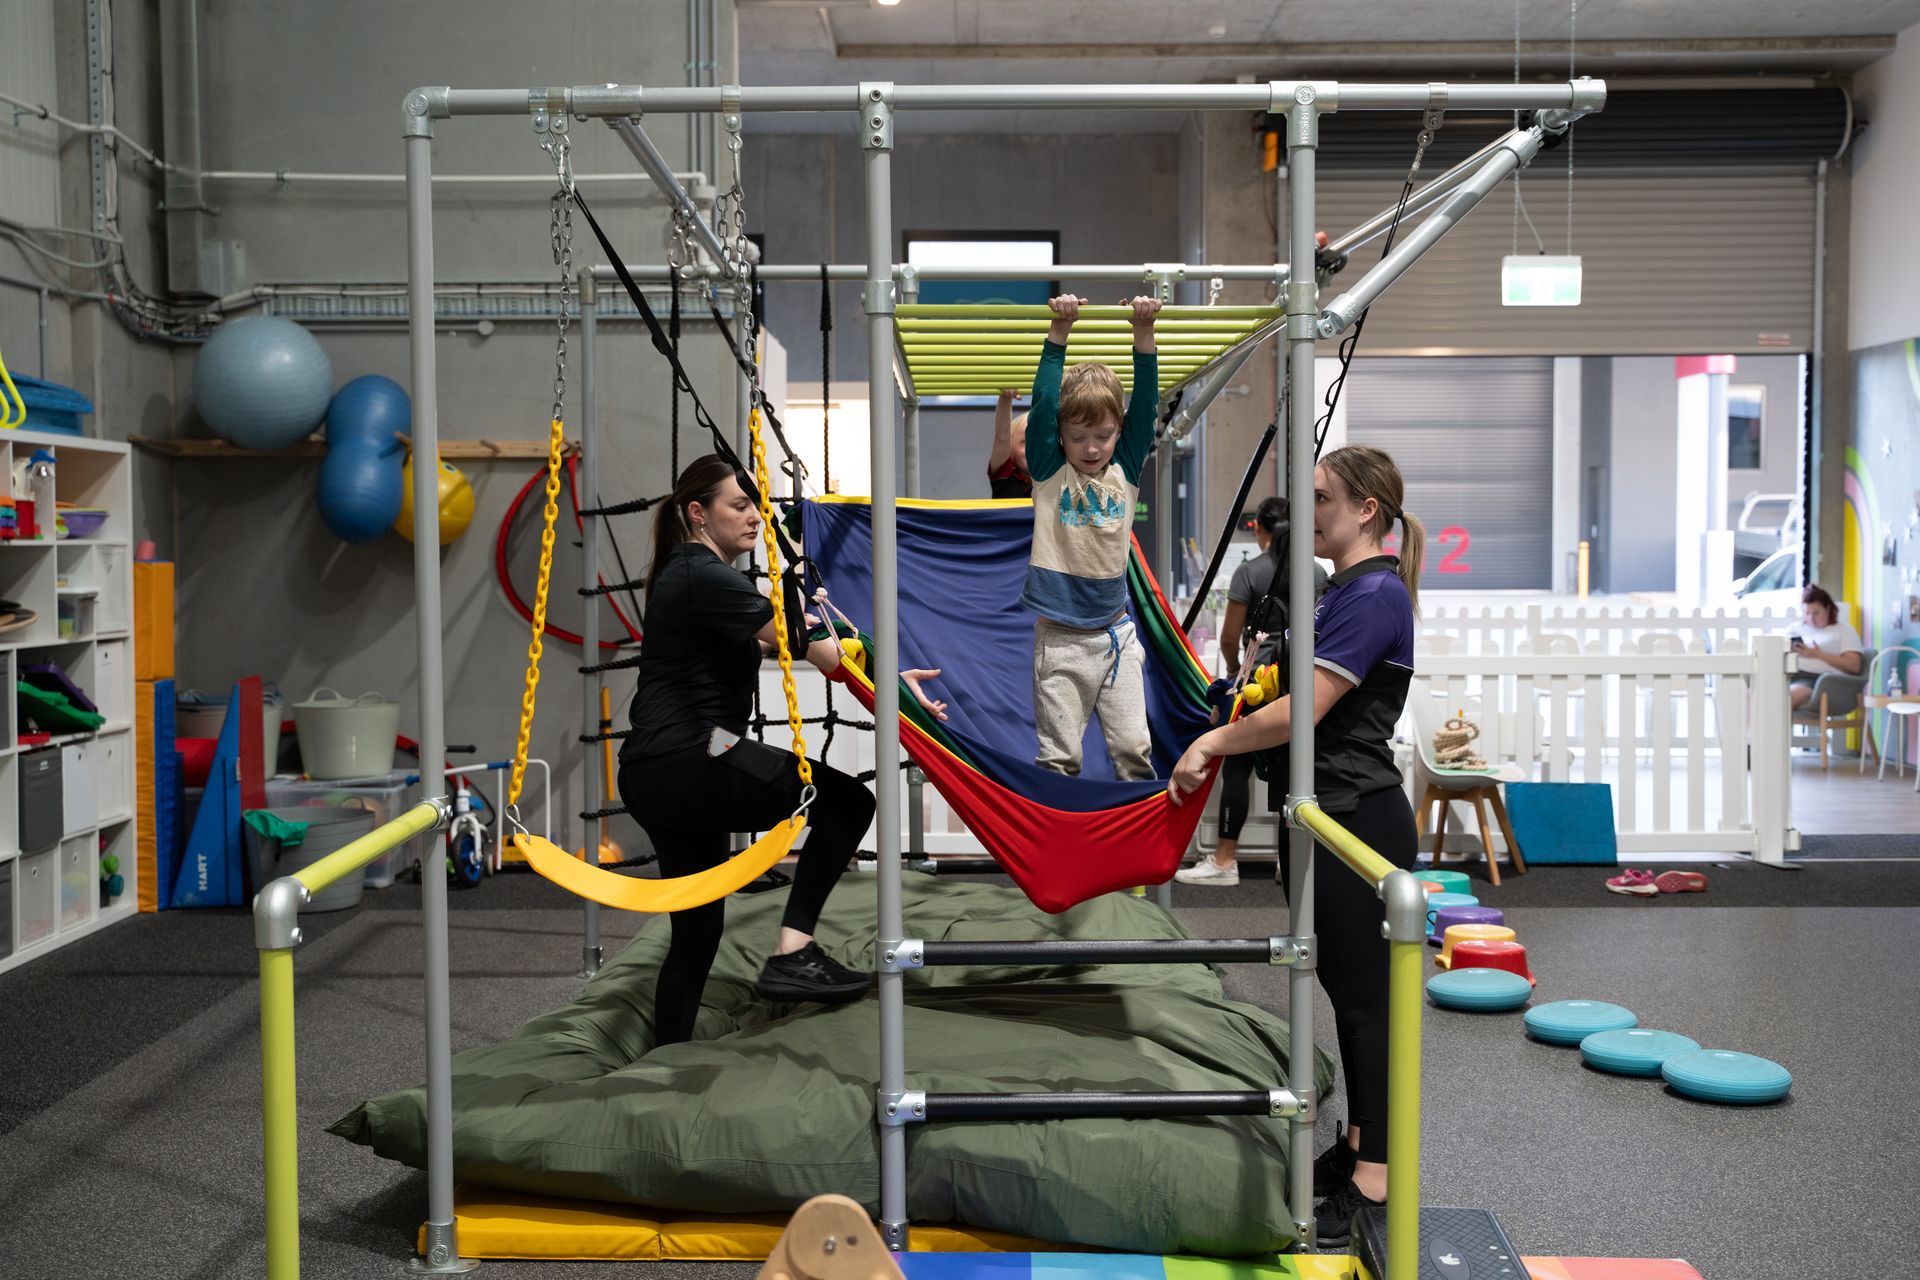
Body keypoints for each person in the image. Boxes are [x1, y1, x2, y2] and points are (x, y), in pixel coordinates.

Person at [1166, 444, 1423, 1247]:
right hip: (1325, 813)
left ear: (1364, 511)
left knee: (1366, 1000)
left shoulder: (1375, 594)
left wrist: (1215, 745)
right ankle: (1355, 1146)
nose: (1307, 512)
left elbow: (1304, 711)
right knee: (1349, 993)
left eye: (1320, 498)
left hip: (1359, 816)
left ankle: (1376, 1177)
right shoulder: (1341, 588)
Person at [619, 454, 949, 1047]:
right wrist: (866, 658)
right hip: (690, 755)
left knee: (697, 935)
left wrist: (892, 675)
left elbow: (806, 641)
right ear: (699, 514)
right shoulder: (701, 573)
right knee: (847, 802)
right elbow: (821, 652)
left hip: (661, 764)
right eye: (738, 506)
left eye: (754, 505)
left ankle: (663, 1055)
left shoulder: (698, 576)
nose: (753, 517)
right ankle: (794, 950)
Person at [1022, 293, 1162, 779]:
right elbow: (1042, 405)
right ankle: (1057, 850)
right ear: (1061, 436)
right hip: (1060, 638)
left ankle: (1134, 851)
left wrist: (1142, 334)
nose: (1090, 447)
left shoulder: (1125, 469)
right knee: (1060, 759)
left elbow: (1146, 404)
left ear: (1118, 432)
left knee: (1133, 750)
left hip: (1116, 634)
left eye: (1102, 435)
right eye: (1078, 436)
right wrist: (1058, 334)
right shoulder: (1049, 472)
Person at [1176, 495, 1328, 886]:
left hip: (1258, 683)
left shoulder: (1251, 572)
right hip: (1302, 681)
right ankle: (1289, 859)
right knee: (1297, 772)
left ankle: (1225, 860)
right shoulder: (1316, 572)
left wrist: (1233, 670)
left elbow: (1229, 637)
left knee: (1238, 768)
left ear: (1258, 528)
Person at [1789, 582, 1865, 710]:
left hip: (1817, 681)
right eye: (1807, 613)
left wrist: (1818, 655)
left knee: (1786, 697)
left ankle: (1772, 729)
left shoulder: (1844, 631)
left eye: (1816, 613)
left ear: (1828, 609)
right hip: (1787, 674)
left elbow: (1854, 666)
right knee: (1756, 694)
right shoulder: (1795, 628)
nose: (1811, 618)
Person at [987, 387, 1033, 499]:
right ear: (1010, 448)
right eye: (1025, 442)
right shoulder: (1006, 477)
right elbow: (1002, 436)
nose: (1035, 448)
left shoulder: (1056, 478)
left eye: (1040, 442)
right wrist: (1005, 398)